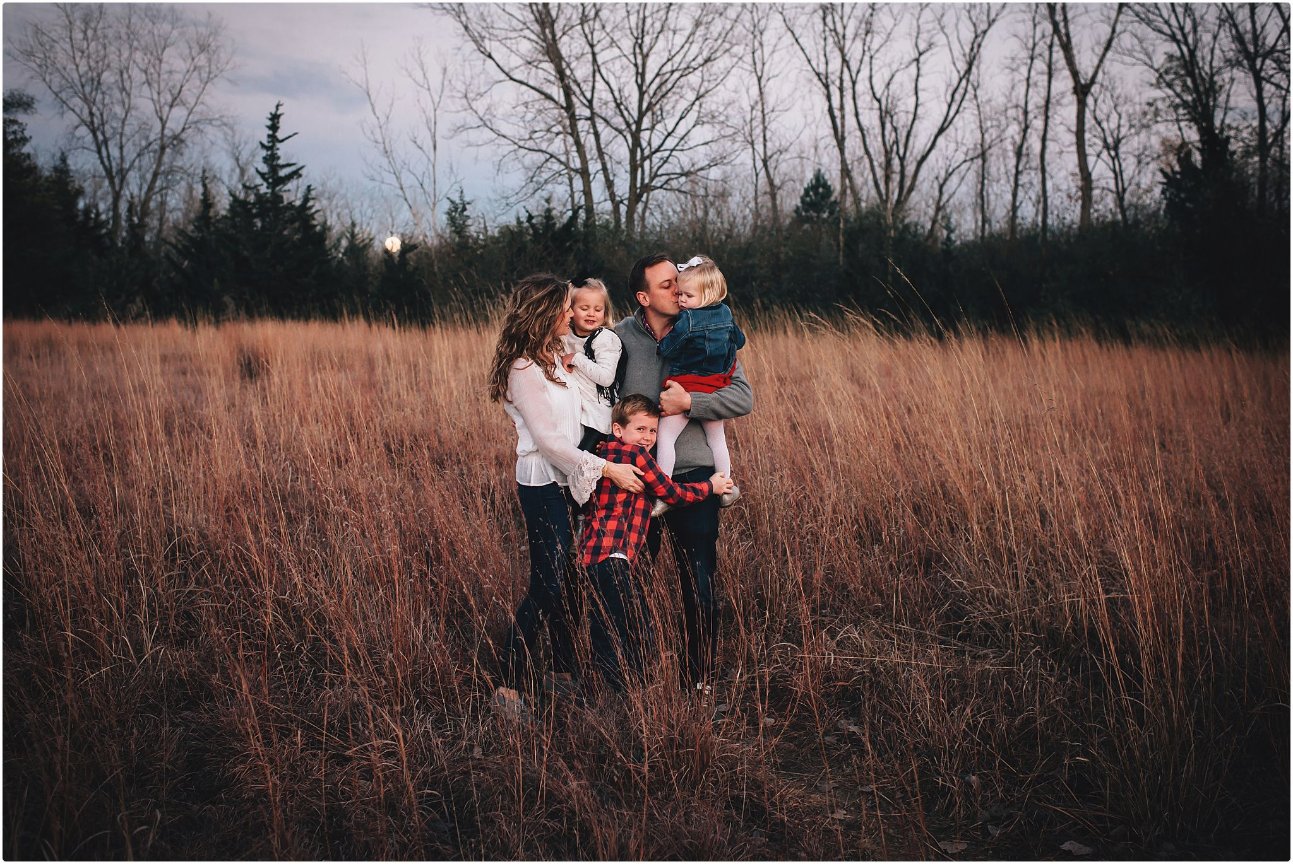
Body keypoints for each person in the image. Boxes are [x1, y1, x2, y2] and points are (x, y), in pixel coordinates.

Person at [486, 274, 644, 698]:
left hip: (571, 479)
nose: (571, 313)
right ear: (545, 313)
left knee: (569, 578)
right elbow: (549, 441)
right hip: (543, 482)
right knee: (548, 583)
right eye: (564, 306)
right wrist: (608, 470)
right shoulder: (523, 368)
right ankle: (509, 685)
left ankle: (562, 671)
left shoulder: (554, 354)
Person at [615, 254, 754, 691]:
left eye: (680, 282)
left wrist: (690, 405)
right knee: (631, 577)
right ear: (643, 297)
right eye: (666, 285)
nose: (677, 291)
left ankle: (700, 680)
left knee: (698, 581)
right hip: (636, 478)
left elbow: (742, 398)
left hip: (695, 476)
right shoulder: (619, 338)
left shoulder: (711, 326)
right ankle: (636, 676)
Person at [577, 394, 734, 690]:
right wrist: (710, 486)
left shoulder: (601, 456)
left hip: (592, 556)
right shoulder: (637, 457)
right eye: (640, 429)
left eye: (652, 431)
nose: (648, 437)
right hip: (616, 557)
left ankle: (602, 689)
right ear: (618, 429)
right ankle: (630, 690)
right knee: (637, 626)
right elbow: (671, 493)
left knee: (605, 624)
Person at [652, 255, 746, 516]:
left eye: (688, 296)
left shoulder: (687, 320)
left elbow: (669, 348)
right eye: (680, 294)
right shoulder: (726, 313)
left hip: (686, 385)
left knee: (666, 437)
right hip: (716, 386)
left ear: (706, 295)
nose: (681, 300)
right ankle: (726, 487)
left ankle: (664, 492)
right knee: (718, 439)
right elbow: (739, 340)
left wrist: (662, 345)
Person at [559, 277, 623, 453]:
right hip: (576, 414)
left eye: (598, 309)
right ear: (570, 310)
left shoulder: (605, 339)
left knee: (583, 465)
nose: (591, 314)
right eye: (584, 308)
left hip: (598, 418)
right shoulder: (565, 336)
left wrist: (577, 358)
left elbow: (606, 378)